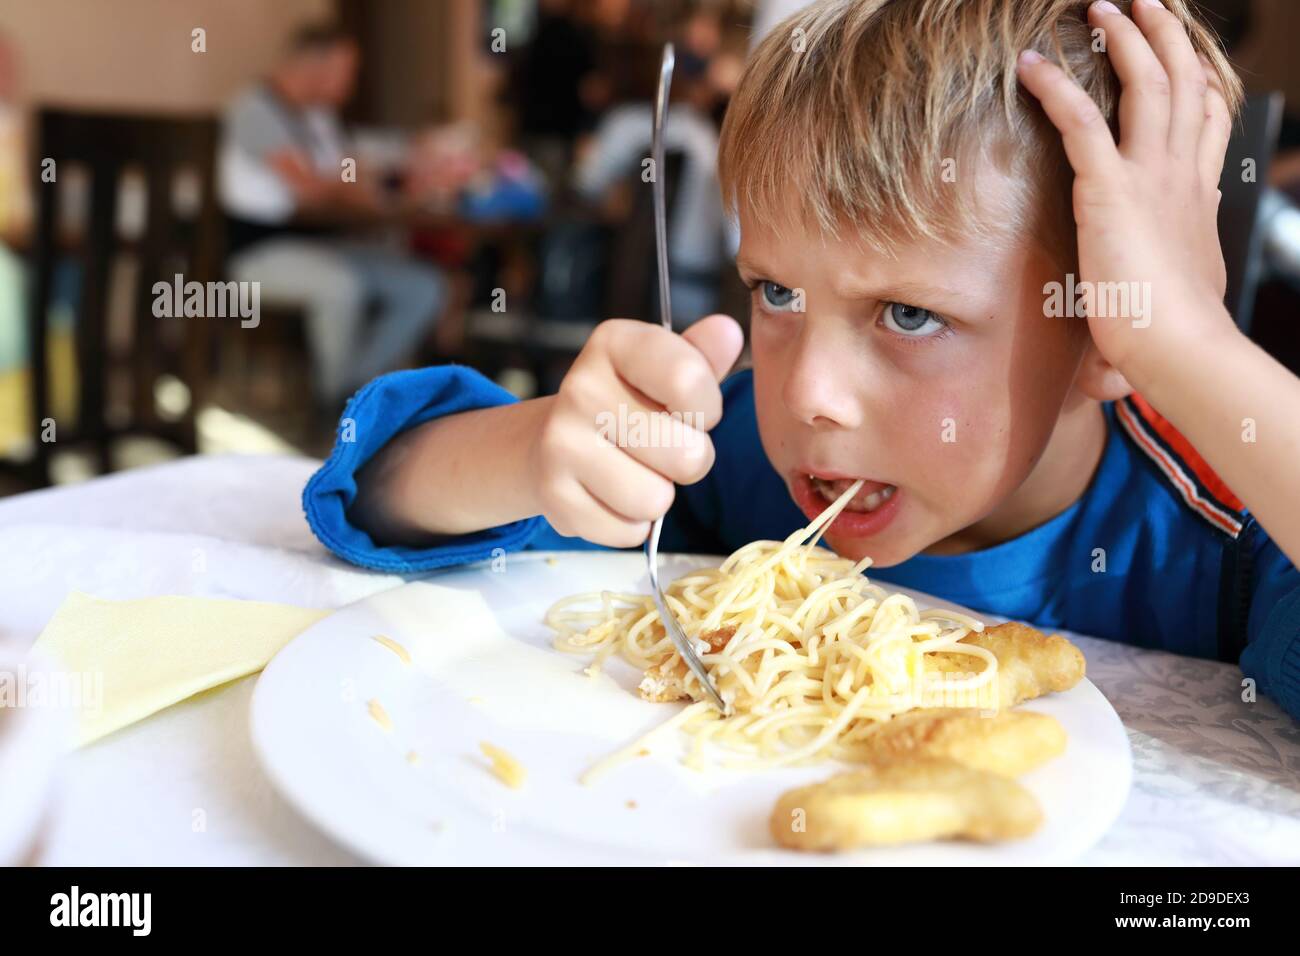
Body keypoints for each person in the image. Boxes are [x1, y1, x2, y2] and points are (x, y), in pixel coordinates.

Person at [303, 0, 1300, 723]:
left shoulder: (1213, 535)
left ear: (1104, 332)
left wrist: (1193, 348)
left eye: (908, 312)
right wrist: (534, 450)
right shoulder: (736, 456)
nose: (808, 395)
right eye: (776, 293)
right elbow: (374, 490)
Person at [219, 24, 446, 409]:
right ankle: (336, 407)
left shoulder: (316, 117)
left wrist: (399, 177)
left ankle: (358, 393)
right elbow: (313, 188)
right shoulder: (253, 109)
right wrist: (368, 186)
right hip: (258, 253)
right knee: (342, 288)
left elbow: (349, 170)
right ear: (314, 65)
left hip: (323, 246)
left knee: (423, 286)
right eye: (347, 70)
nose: (351, 82)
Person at [573, 41, 727, 327]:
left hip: (630, 291)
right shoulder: (702, 136)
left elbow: (585, 185)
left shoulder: (625, 124)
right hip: (700, 290)